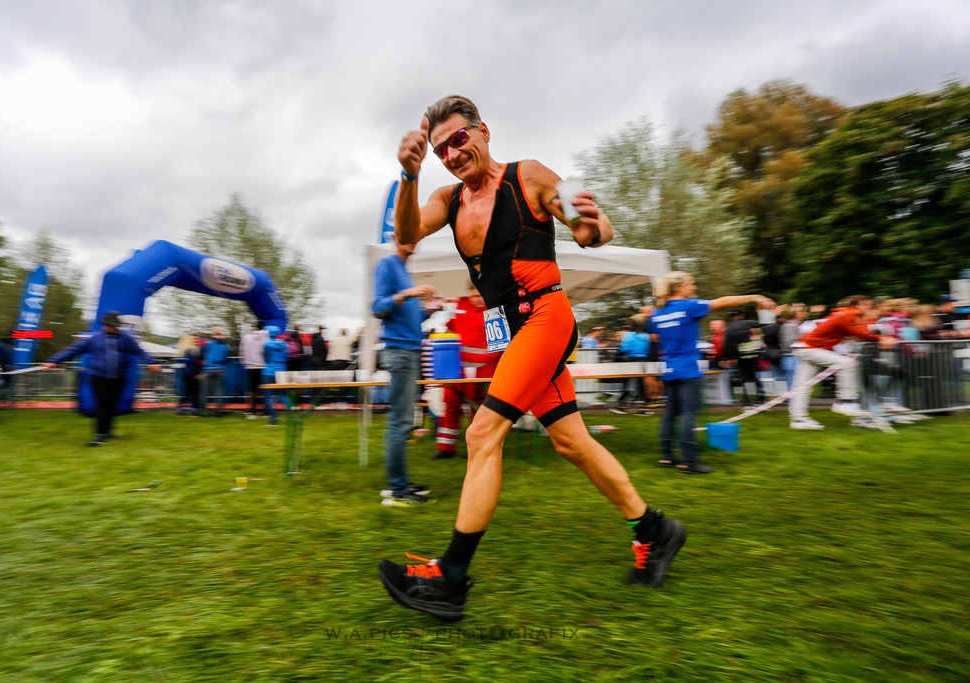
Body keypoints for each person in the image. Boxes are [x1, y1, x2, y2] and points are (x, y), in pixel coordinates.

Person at [378, 95, 686, 623]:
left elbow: (594, 230)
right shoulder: (445, 198)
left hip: (545, 318)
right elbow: (405, 236)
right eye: (438, 150)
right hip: (511, 335)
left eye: (458, 140)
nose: (451, 155)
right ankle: (654, 530)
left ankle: (450, 576)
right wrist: (408, 176)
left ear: (483, 132)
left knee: (481, 434)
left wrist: (592, 224)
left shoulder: (531, 176)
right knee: (573, 442)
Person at [648, 272, 774, 473]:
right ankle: (689, 461)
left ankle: (667, 456)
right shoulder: (689, 306)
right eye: (691, 284)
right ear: (679, 287)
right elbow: (723, 301)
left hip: (668, 370)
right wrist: (754, 297)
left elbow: (655, 343)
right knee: (689, 414)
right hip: (688, 369)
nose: (694, 288)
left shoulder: (656, 314)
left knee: (670, 415)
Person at [373, 234, 439, 506]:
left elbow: (406, 317)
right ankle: (398, 491)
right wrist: (407, 293)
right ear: (394, 238)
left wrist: (429, 311)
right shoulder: (388, 264)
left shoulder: (403, 270)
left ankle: (398, 484)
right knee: (399, 422)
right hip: (399, 353)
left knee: (402, 421)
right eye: (405, 234)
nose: (412, 239)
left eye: (415, 234)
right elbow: (377, 308)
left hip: (409, 351)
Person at [41, 311, 160, 446]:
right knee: (102, 404)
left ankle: (108, 432)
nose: (115, 328)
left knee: (112, 405)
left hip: (118, 378)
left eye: (117, 326)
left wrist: (152, 362)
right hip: (99, 377)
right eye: (112, 326)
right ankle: (100, 435)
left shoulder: (126, 338)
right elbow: (72, 351)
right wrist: (54, 361)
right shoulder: (94, 339)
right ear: (106, 325)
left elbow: (140, 351)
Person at [788, 296, 898, 430]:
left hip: (807, 347)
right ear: (857, 305)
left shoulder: (847, 314)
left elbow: (859, 332)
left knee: (802, 387)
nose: (869, 308)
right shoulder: (847, 314)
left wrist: (874, 328)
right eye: (867, 306)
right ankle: (845, 401)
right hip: (811, 347)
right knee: (847, 363)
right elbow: (860, 334)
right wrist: (882, 337)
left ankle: (798, 419)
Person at [432, 279, 502, 459]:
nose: (478, 299)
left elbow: (500, 346)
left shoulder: (494, 310)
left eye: (481, 295)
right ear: (469, 292)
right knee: (450, 405)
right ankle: (445, 448)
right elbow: (449, 330)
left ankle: (481, 447)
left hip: (483, 370)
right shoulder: (459, 305)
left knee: (479, 410)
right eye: (475, 295)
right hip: (458, 370)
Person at [239, 322, 270, 418]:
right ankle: (264, 410)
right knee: (263, 389)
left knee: (251, 389)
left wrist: (245, 362)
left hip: (250, 367)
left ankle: (251, 410)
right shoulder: (266, 337)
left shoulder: (246, 337)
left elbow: (242, 351)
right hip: (263, 366)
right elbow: (268, 351)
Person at [261, 326, 289, 425]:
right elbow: (287, 357)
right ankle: (291, 416)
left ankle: (273, 420)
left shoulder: (266, 344)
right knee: (283, 395)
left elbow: (264, 357)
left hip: (269, 371)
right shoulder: (284, 344)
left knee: (269, 396)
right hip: (282, 371)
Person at [198, 327, 229, 417]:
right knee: (219, 391)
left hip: (207, 369)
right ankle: (218, 411)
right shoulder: (226, 346)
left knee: (204, 391)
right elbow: (225, 357)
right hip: (220, 369)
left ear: (213, 334)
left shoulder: (209, 344)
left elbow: (203, 354)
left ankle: (203, 412)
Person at [174, 333, 203, 415]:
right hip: (190, 374)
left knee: (189, 392)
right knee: (192, 392)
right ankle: (192, 409)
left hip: (189, 373)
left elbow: (193, 362)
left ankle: (183, 408)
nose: (196, 340)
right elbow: (191, 362)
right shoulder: (191, 350)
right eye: (194, 339)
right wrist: (196, 373)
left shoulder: (194, 349)